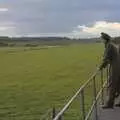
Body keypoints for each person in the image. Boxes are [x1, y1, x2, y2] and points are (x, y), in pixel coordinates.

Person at [99, 32, 120, 109]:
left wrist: (101, 67)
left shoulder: (109, 45)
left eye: (102, 39)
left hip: (115, 67)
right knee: (118, 85)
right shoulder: (111, 45)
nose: (101, 40)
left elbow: (106, 58)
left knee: (112, 85)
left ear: (105, 39)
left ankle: (109, 104)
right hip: (117, 66)